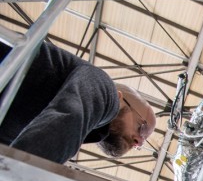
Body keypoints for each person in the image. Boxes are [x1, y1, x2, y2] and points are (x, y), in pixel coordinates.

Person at [0, 41, 156, 164]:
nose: (138, 141)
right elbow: (69, 116)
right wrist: (15, 177)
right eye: (141, 128)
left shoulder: (29, 128)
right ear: (119, 96)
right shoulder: (105, 88)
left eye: (141, 144)